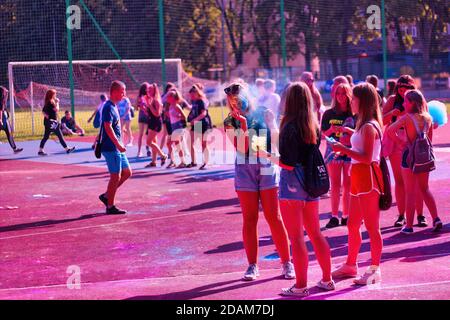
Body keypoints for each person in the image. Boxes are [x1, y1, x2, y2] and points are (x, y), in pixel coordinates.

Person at [260, 82, 334, 297]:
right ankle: (327, 279)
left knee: (297, 237)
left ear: (289, 100)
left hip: (293, 181)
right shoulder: (312, 124)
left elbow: (288, 163)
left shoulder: (290, 125)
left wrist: (266, 155)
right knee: (315, 233)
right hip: (310, 181)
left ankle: (301, 286)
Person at [223, 81, 295, 282]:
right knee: (250, 218)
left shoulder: (263, 111)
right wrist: (244, 127)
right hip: (245, 168)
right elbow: (243, 148)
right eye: (232, 100)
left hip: (266, 165)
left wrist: (272, 124)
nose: (236, 103)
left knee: (274, 216)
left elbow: (277, 140)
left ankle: (287, 262)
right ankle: (252, 265)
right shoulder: (230, 121)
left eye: (239, 97)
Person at [330, 83, 384, 286]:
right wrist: (348, 131)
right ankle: (351, 265)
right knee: (353, 224)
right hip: (358, 178)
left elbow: (367, 157)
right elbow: (362, 144)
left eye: (353, 98)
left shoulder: (369, 126)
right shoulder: (363, 124)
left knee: (372, 226)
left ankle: (374, 269)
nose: (350, 101)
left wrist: (343, 148)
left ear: (363, 101)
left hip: (368, 178)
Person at [386, 89, 443, 234]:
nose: (403, 103)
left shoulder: (406, 118)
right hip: (424, 157)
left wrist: (401, 142)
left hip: (409, 156)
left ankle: (409, 226)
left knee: (410, 192)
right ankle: (436, 218)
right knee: (424, 188)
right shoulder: (428, 118)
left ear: (412, 103)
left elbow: (390, 131)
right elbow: (429, 140)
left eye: (406, 101)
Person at [383, 75, 422, 227]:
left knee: (416, 182)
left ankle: (420, 215)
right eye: (400, 88)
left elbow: (426, 117)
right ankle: (401, 215)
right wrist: (392, 114)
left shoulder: (417, 99)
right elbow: (381, 120)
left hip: (414, 141)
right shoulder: (393, 100)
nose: (403, 91)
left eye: (406, 88)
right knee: (399, 181)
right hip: (395, 142)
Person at [321, 83, 355, 228]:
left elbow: (359, 132)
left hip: (349, 150)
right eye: (338, 93)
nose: (340, 96)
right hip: (333, 149)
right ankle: (334, 216)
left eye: (343, 93)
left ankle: (346, 216)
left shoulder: (354, 114)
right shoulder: (329, 113)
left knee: (348, 185)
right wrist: (332, 130)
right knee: (335, 184)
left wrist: (346, 130)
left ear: (348, 95)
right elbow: (323, 133)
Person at [98, 81, 132, 215]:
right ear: (115, 91)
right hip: (111, 147)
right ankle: (110, 206)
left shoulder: (113, 106)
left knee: (127, 172)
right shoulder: (108, 106)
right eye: (122, 91)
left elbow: (109, 126)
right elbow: (107, 126)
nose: (124, 94)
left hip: (117, 147)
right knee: (115, 176)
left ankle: (107, 196)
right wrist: (118, 144)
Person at [38, 89, 75, 156]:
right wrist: (57, 102)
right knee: (60, 135)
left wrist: (47, 116)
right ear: (52, 95)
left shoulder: (47, 101)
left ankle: (40, 150)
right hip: (52, 123)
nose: (55, 95)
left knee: (46, 136)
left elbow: (43, 111)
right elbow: (56, 109)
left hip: (48, 122)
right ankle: (67, 149)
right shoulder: (51, 102)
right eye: (55, 94)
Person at [187, 84, 212, 170]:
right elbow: (193, 111)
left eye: (193, 95)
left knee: (203, 144)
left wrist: (195, 120)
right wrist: (190, 118)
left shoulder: (201, 101)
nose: (191, 97)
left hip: (203, 124)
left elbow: (204, 113)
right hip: (196, 125)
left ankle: (205, 162)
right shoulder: (194, 101)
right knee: (190, 142)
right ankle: (193, 161)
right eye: (191, 95)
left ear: (197, 93)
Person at [145, 83, 168, 167]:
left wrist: (150, 105)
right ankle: (154, 161)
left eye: (150, 90)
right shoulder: (151, 100)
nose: (148, 91)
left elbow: (157, 114)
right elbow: (151, 113)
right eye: (148, 90)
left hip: (156, 123)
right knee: (153, 142)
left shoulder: (156, 100)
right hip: (151, 122)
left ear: (154, 91)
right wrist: (145, 107)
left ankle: (163, 155)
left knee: (149, 142)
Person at [167, 89, 189, 169]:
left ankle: (181, 162)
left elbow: (184, 116)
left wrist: (177, 116)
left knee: (174, 144)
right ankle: (176, 161)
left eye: (168, 96)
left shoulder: (177, 106)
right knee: (172, 144)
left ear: (172, 97)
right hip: (173, 127)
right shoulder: (170, 106)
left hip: (178, 127)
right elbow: (171, 116)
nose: (167, 98)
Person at [0, 86, 23, 154]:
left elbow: (4, 102)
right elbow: (0, 110)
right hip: (2, 117)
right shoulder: (0, 100)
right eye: (4, 93)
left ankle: (14, 148)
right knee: (9, 133)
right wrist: (0, 119)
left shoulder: (2, 100)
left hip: (5, 117)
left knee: (9, 133)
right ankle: (14, 148)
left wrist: (6, 93)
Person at [136, 83, 150, 158]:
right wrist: (140, 105)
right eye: (147, 88)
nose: (148, 89)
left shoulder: (148, 96)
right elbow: (136, 107)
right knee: (142, 134)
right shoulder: (141, 97)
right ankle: (139, 151)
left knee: (146, 134)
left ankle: (147, 149)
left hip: (146, 116)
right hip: (143, 116)